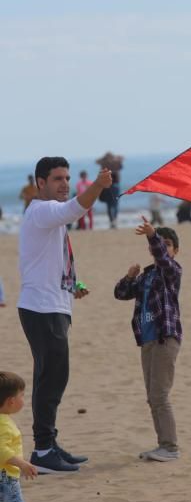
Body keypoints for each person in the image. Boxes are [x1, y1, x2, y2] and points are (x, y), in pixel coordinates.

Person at [18, 156, 112, 474]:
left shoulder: (47, 215)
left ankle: (50, 444)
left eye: (67, 178)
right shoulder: (41, 209)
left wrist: (73, 285)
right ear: (41, 183)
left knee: (56, 377)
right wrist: (98, 185)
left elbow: (52, 259)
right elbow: (75, 209)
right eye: (58, 179)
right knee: (50, 380)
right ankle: (43, 449)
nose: (65, 184)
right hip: (41, 309)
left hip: (52, 304)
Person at [114, 217, 182, 462]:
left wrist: (153, 236)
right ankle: (163, 446)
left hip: (166, 338)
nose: (163, 248)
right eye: (160, 243)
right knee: (152, 395)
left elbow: (162, 257)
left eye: (168, 244)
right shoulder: (147, 275)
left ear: (175, 250)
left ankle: (170, 447)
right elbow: (121, 294)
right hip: (148, 341)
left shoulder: (172, 271)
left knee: (160, 395)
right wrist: (129, 277)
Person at [0, 371, 37, 502]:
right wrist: (21, 463)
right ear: (11, 401)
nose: (24, 399)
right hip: (5, 477)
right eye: (22, 395)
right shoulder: (4, 424)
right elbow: (1, 450)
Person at [96, 152, 123, 228]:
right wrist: (115, 158)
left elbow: (97, 161)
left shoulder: (104, 163)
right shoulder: (116, 162)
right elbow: (121, 162)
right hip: (114, 185)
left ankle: (112, 221)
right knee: (115, 204)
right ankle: (114, 220)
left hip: (107, 185)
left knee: (109, 204)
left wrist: (104, 158)